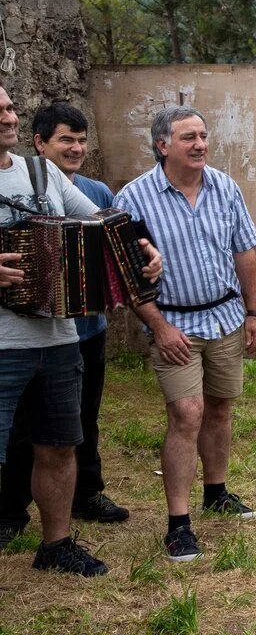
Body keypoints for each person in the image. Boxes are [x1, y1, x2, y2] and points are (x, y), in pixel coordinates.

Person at [0, 83, 161, 575]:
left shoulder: (40, 171)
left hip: (58, 339)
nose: (8, 116)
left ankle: (55, 545)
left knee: (59, 444)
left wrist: (141, 246)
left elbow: (99, 221)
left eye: (10, 107)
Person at [114, 105, 256, 563]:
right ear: (162, 145)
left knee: (219, 407)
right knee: (186, 414)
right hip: (175, 325)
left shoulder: (224, 187)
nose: (200, 145)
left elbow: (245, 252)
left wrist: (253, 313)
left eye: (203, 135)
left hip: (225, 318)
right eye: (188, 138)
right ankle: (178, 525)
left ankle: (216, 492)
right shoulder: (134, 198)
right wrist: (158, 327)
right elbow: (126, 276)